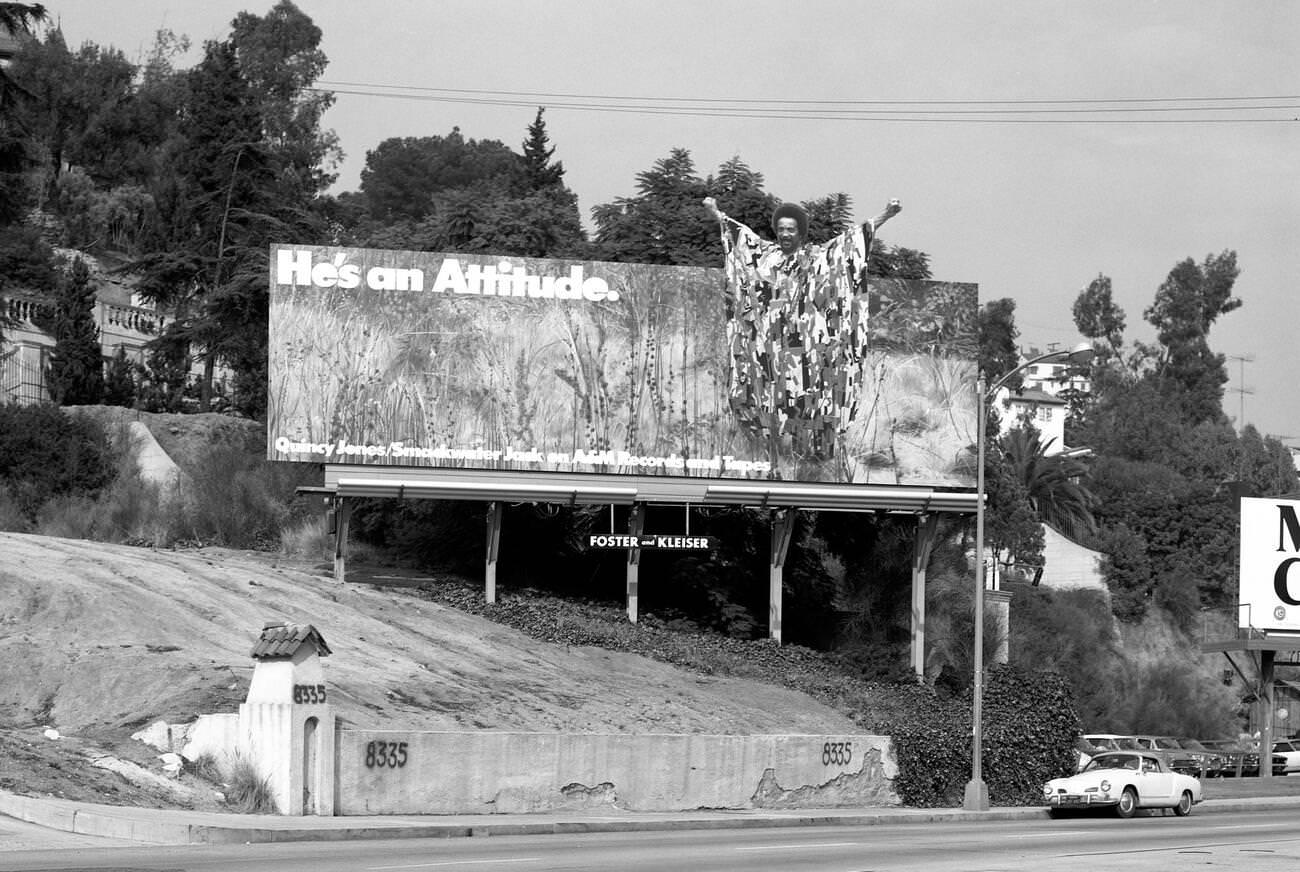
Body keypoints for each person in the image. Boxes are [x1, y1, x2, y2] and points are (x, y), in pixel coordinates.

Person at [702, 195, 902, 475]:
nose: (785, 234)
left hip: (806, 350)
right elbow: (739, 237)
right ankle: (767, 454)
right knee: (764, 394)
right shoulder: (764, 256)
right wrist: (716, 213)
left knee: (808, 397)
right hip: (769, 348)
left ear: (800, 232)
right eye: (781, 228)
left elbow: (849, 244)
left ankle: (812, 456)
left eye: (791, 229)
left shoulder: (816, 257)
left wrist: (886, 213)